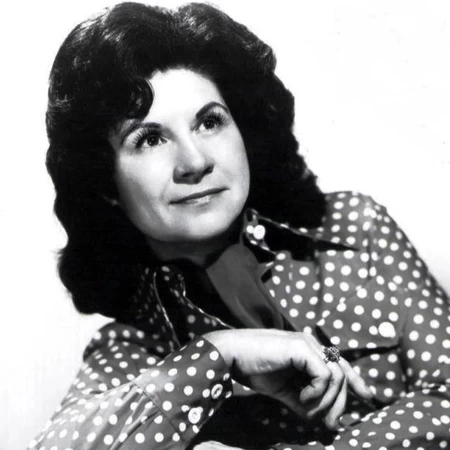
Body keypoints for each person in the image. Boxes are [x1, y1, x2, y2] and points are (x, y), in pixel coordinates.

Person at [28, 2, 450, 449]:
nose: (195, 161)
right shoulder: (135, 345)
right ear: (103, 182)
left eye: (209, 122)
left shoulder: (352, 229)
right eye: (150, 139)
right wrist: (220, 353)